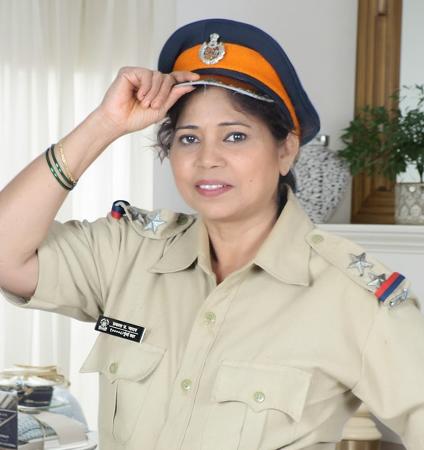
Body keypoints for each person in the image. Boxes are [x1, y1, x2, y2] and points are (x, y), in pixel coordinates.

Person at [0, 17, 423, 450]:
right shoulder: (128, 253)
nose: (207, 159)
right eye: (188, 138)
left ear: (286, 149)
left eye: (235, 136)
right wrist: (104, 123)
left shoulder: (349, 295)